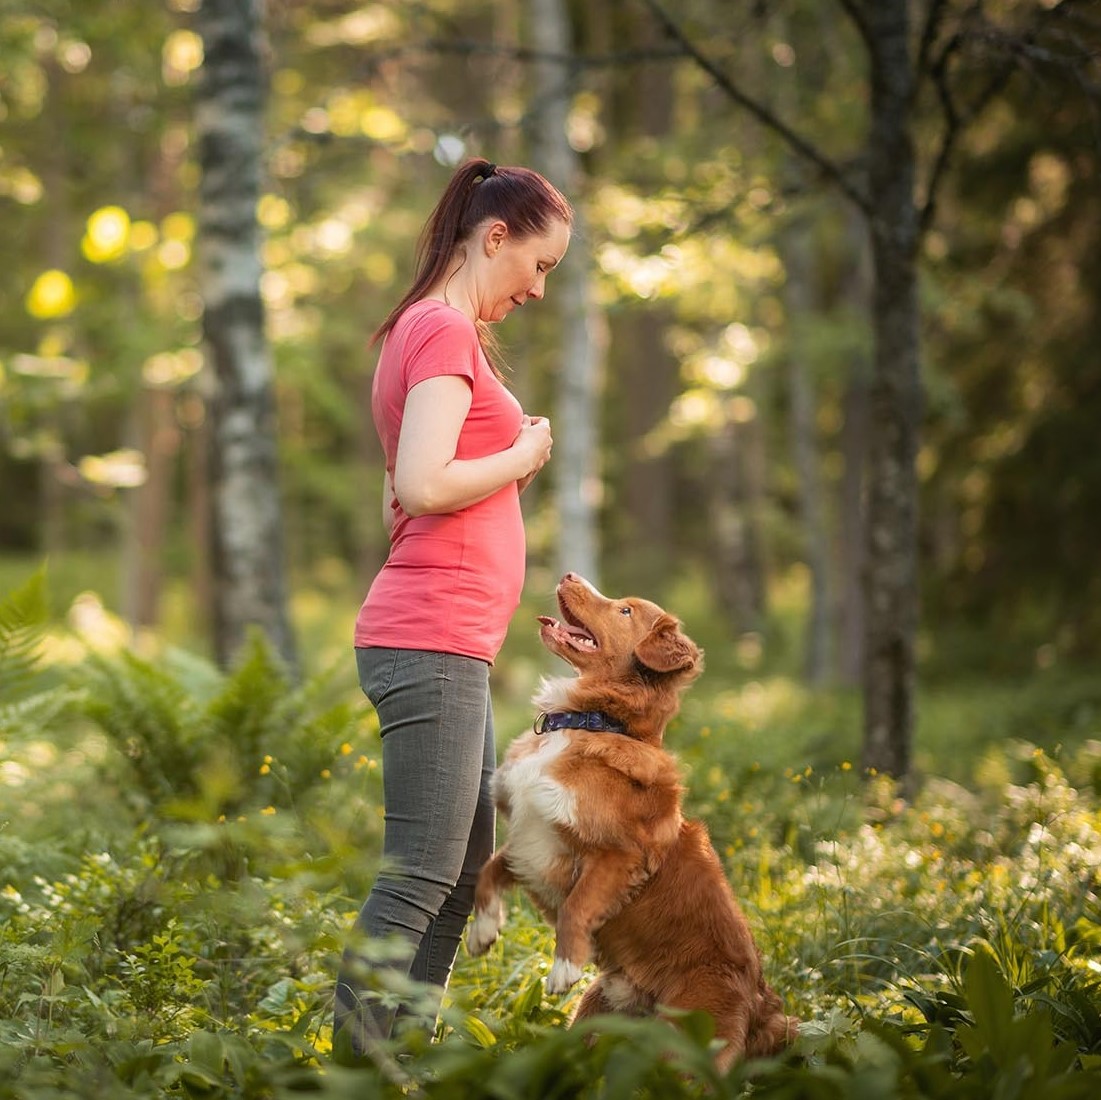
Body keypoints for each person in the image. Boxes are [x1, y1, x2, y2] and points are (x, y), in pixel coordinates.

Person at [333, 157, 572, 1057]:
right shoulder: (438, 330)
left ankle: (397, 1057)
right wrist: (522, 455)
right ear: (494, 237)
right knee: (420, 875)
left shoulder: (429, 330)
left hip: (449, 640)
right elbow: (423, 482)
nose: (538, 290)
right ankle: (355, 1070)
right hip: (427, 637)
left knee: (462, 866)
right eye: (538, 265)